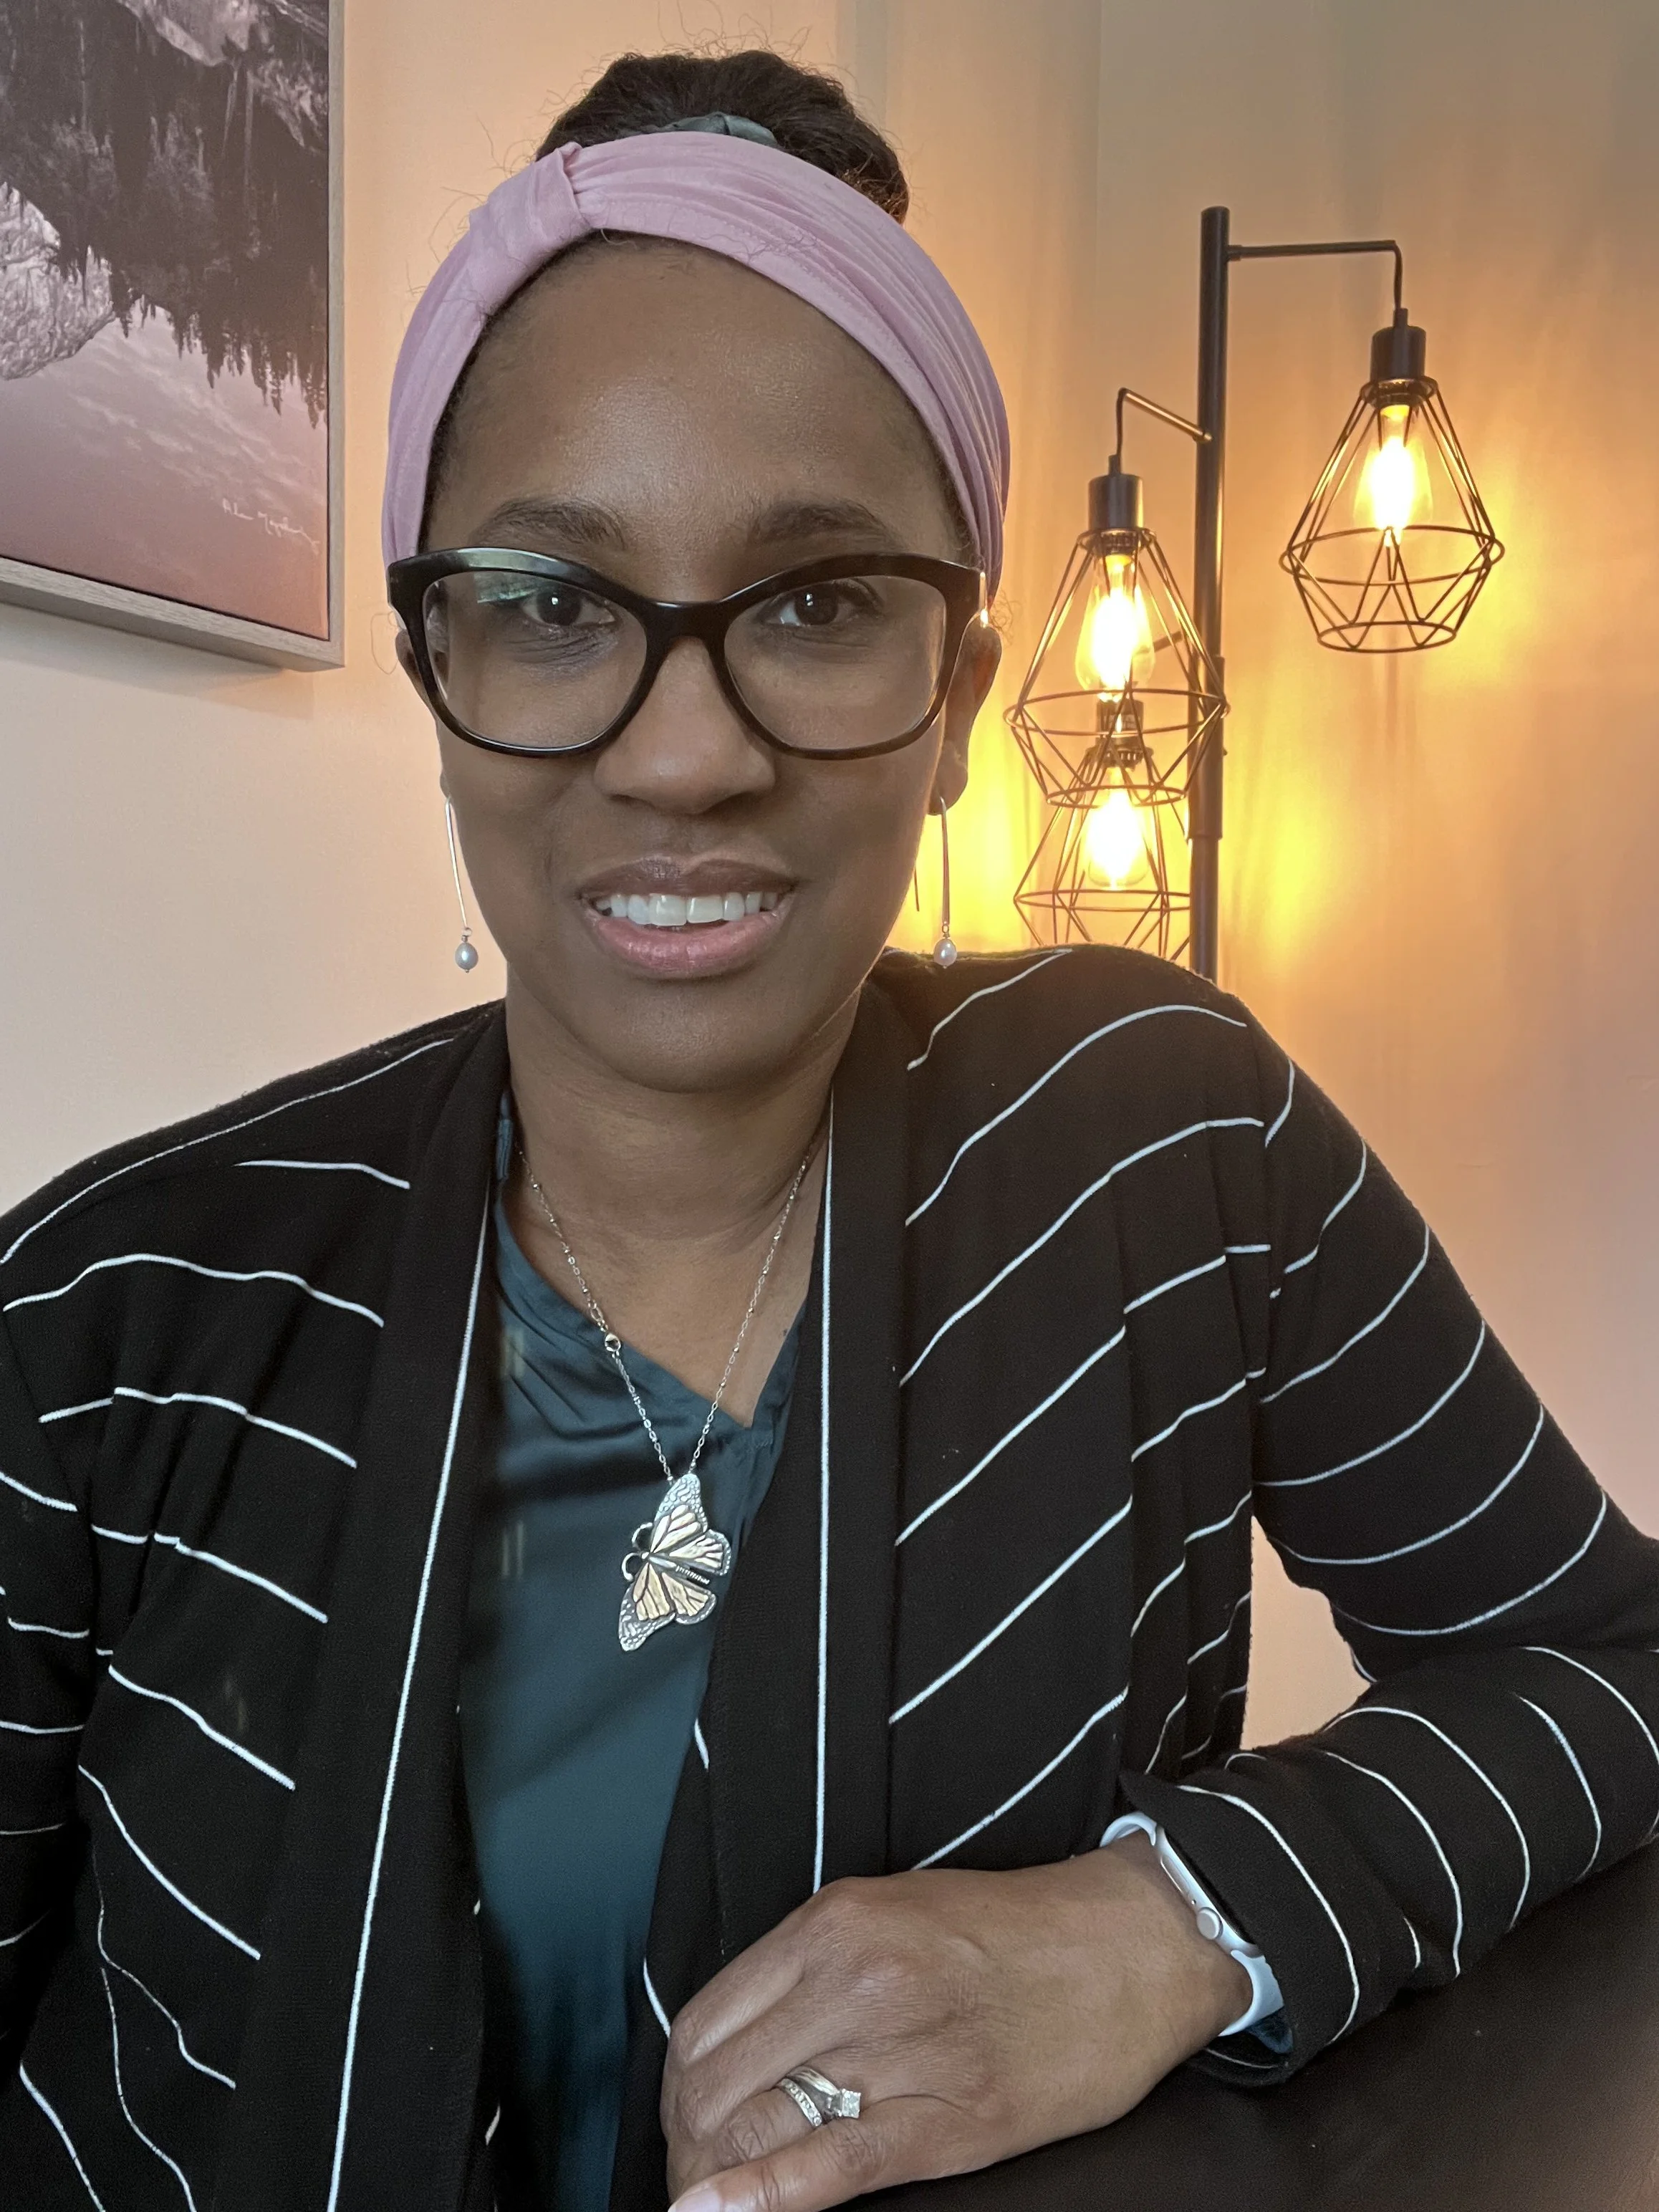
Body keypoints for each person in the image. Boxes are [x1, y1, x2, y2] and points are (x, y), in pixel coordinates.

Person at [1, 44, 1656, 2212]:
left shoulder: (1160, 1142)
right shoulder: (115, 1311)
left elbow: (1608, 1660)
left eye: (815, 605)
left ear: (958, 698)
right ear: (438, 683)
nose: (687, 755)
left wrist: (1171, 1923)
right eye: (554, 605)